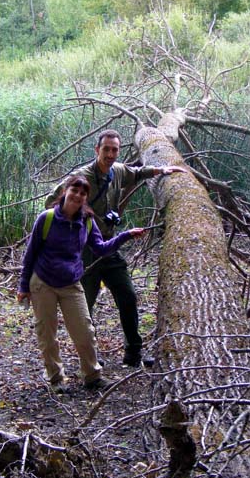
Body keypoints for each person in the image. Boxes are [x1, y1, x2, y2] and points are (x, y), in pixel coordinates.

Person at [46, 129, 186, 367]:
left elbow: (136, 172)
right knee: (84, 308)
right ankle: (89, 360)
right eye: (106, 149)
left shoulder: (117, 171)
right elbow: (51, 202)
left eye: (114, 150)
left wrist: (161, 170)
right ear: (97, 150)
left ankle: (133, 353)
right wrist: (80, 216)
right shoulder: (82, 177)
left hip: (109, 248)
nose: (110, 154)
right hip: (85, 253)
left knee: (128, 297)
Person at [18, 175, 146, 393]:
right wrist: (23, 287)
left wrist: (126, 235)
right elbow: (30, 255)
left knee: (85, 332)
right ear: (65, 191)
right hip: (43, 282)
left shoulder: (86, 222)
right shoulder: (46, 219)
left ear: (86, 198)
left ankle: (92, 376)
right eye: (74, 190)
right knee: (47, 335)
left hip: (71, 284)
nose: (77, 196)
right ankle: (56, 379)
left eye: (82, 193)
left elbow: (101, 249)